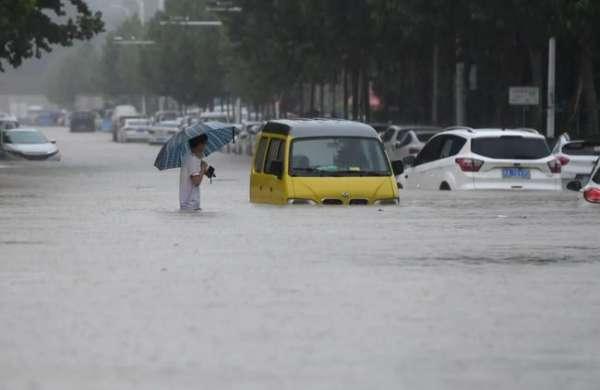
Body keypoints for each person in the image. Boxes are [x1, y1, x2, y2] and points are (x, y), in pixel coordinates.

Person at [180, 134, 209, 211]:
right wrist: (202, 168)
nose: (205, 146)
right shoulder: (193, 160)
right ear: (199, 144)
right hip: (190, 206)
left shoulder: (189, 157)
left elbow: (196, 174)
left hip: (189, 205)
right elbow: (196, 182)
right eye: (205, 143)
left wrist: (204, 170)